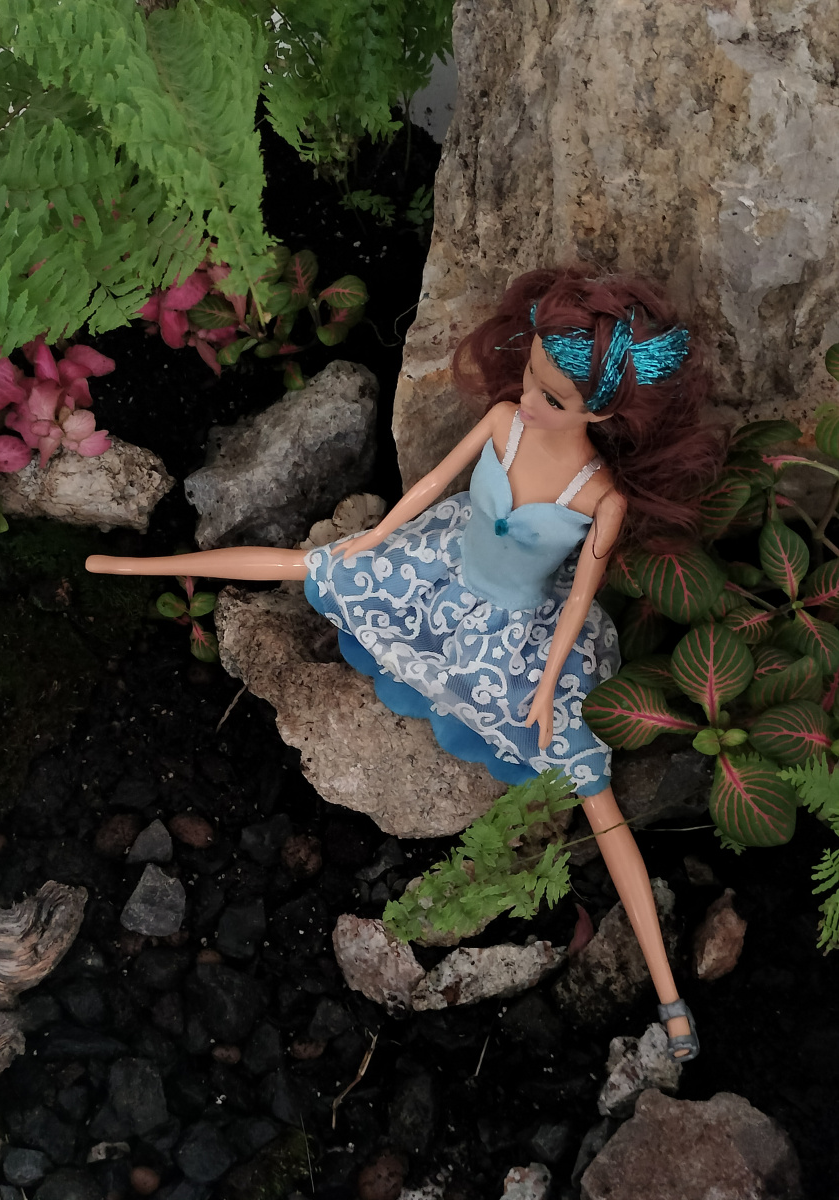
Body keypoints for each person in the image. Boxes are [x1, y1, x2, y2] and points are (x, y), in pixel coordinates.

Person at [86, 265, 723, 1059]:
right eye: (531, 377)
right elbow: (431, 484)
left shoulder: (601, 498)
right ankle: (140, 564)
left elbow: (575, 604)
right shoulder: (505, 421)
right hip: (441, 569)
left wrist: (547, 688)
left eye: (553, 399)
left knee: (593, 790)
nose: (530, 399)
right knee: (317, 565)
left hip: (516, 631)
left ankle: (669, 996)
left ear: (602, 410)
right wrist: (380, 536)